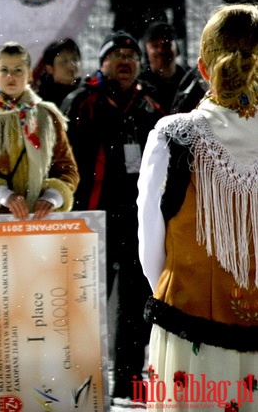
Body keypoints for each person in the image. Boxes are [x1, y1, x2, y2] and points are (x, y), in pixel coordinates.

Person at [138, 3, 258, 411]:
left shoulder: (174, 136)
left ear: (203, 68)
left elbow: (150, 246)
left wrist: (185, 287)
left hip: (188, 328)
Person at [0, 41, 79, 409]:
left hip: (38, 238)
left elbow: (67, 170)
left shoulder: (47, 116)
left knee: (35, 319)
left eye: (17, 70)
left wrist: (53, 196)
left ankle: (35, 397)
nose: (11, 77)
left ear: (28, 73)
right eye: (4, 70)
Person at [61, 31, 164, 402]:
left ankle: (128, 384)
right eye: (117, 55)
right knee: (84, 304)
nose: (125, 61)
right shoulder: (81, 102)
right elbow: (62, 161)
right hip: (90, 219)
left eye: (131, 56)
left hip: (136, 222)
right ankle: (79, 383)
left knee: (135, 307)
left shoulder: (150, 106)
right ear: (102, 62)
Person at [138, 22, 187, 113]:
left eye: (166, 45)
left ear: (176, 49)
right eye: (155, 46)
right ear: (146, 52)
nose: (161, 50)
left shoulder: (189, 81)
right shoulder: (139, 85)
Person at [31, 37, 82, 106]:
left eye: (75, 60)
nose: (71, 65)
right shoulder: (39, 101)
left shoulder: (87, 95)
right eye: (64, 61)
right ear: (50, 68)